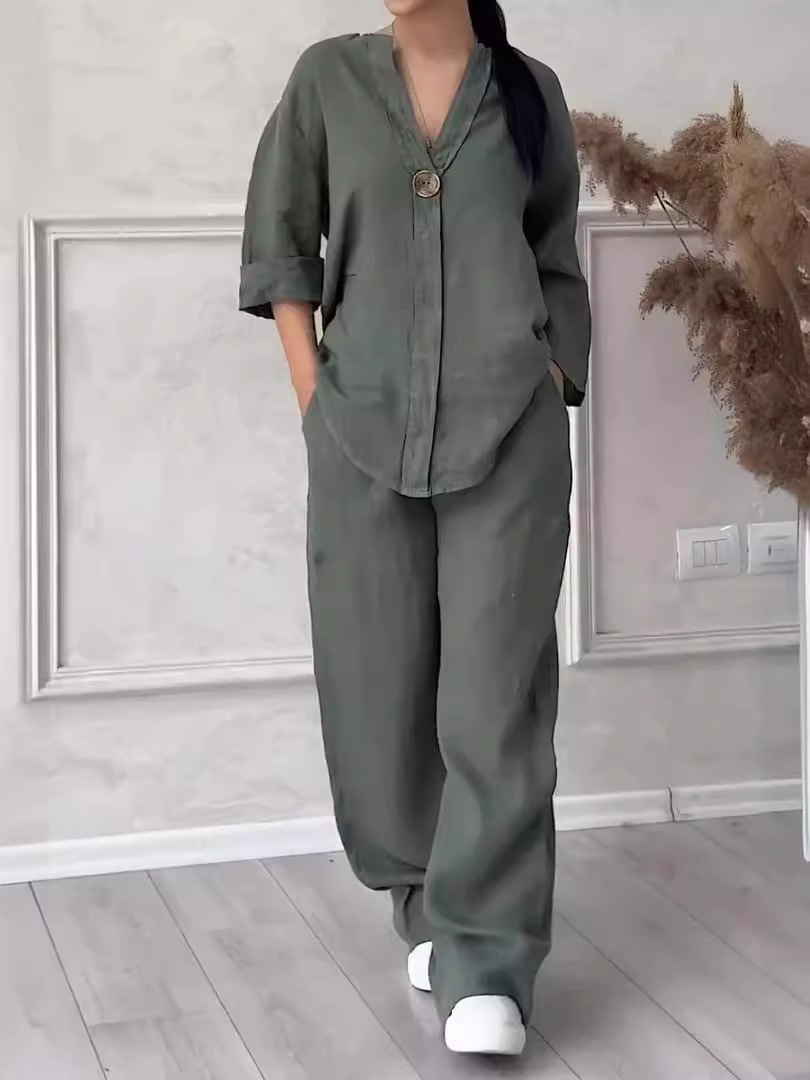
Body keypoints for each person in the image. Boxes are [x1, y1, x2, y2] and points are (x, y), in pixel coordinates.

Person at [239, 0, 591, 1057]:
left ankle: (487, 958)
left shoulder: (531, 93)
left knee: (494, 700)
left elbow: (556, 253)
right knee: (377, 688)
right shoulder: (326, 81)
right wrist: (315, 400)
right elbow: (282, 246)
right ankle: (430, 905)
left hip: (509, 429)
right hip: (360, 431)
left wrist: (555, 374)